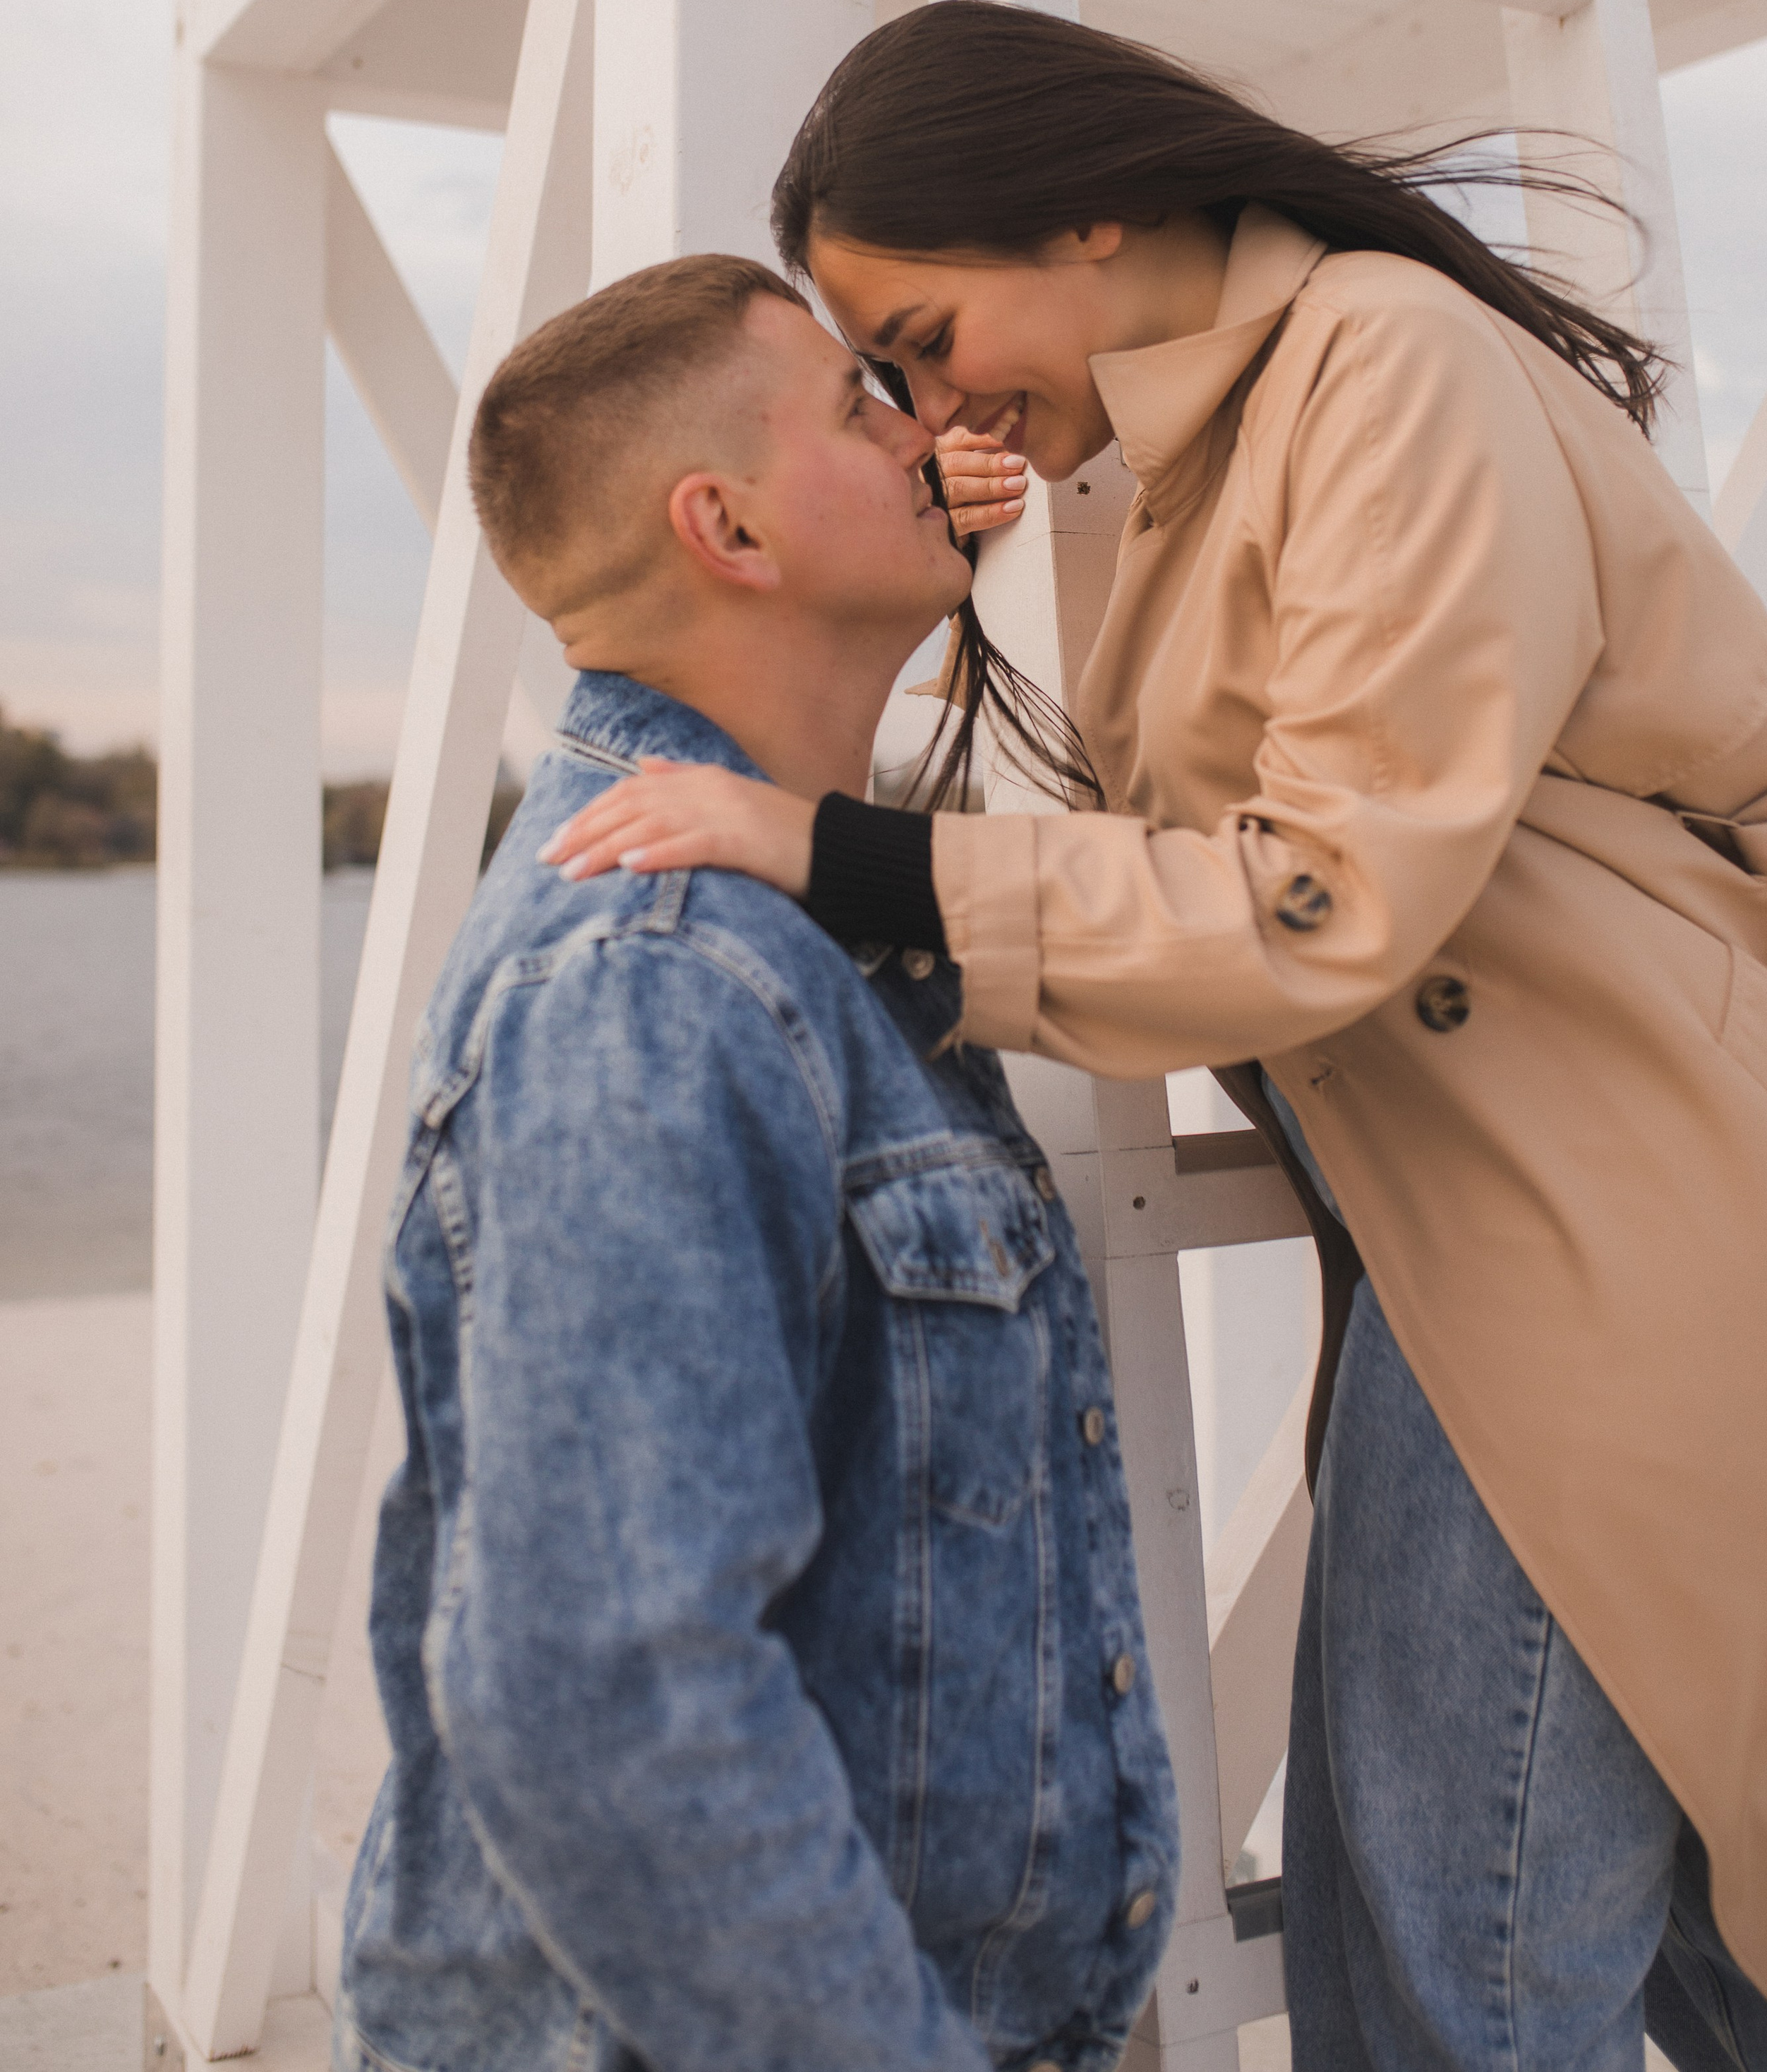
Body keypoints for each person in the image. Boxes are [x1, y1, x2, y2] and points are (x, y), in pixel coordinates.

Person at [541, 4, 1767, 2071]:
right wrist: (962, 540)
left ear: (1083, 216)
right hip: (1501, 1217)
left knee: (1463, 1960)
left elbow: (1320, 891)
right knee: (1661, 1934)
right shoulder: (1200, 442)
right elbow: (1194, 827)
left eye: (925, 339)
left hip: (1616, 1202)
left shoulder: (1385, 363)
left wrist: (839, 859)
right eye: (885, 383)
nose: (929, 402)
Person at [332, 251, 1179, 2072]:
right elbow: (610, 1695)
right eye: (863, 403)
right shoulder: (649, 977)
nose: (929, 426)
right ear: (725, 526)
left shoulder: (794, 895)